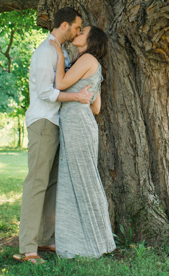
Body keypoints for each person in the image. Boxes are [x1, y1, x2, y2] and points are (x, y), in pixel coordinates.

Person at [15, 7, 93, 265]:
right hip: (43, 122)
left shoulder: (61, 52)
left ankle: (45, 238)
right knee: (36, 183)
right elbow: (45, 93)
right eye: (76, 26)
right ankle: (27, 248)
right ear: (63, 26)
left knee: (51, 184)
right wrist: (77, 97)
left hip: (57, 123)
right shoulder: (45, 52)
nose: (78, 31)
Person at [49, 25, 116, 258]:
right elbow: (96, 107)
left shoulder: (87, 58)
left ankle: (88, 244)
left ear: (91, 39)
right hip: (83, 123)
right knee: (81, 179)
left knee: (79, 180)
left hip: (77, 125)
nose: (78, 33)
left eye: (83, 31)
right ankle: (92, 241)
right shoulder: (90, 63)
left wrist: (58, 56)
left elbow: (60, 84)